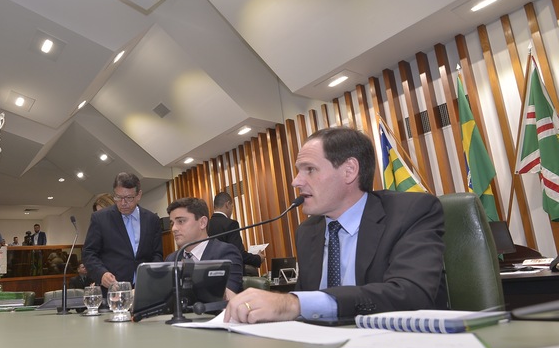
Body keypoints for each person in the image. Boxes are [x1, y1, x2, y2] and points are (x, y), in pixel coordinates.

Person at [224, 127, 448, 324]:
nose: (295, 181)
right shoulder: (307, 232)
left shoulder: (411, 212)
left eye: (309, 169)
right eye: (298, 170)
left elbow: (411, 294)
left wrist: (293, 304)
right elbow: (305, 303)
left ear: (349, 170)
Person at [82, 172, 163, 289]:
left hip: (145, 288)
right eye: (118, 197)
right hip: (112, 289)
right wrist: (101, 274)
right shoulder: (100, 218)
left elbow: (157, 254)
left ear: (139, 195)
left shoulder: (152, 219)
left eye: (129, 198)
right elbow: (89, 253)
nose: (123, 203)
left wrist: (151, 277)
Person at [165, 197, 243, 298]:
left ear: (202, 223)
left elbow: (228, 297)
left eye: (181, 221)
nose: (174, 228)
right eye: (172, 223)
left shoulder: (226, 254)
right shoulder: (171, 259)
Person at [209, 191, 266, 276]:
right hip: (231, 275)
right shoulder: (231, 224)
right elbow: (238, 253)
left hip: (212, 274)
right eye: (232, 206)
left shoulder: (206, 225)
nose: (232, 210)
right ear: (227, 204)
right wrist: (257, 258)